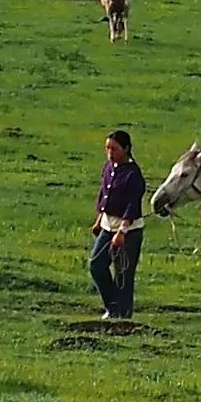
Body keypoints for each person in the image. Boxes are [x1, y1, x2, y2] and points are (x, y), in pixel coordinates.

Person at [88, 127, 145, 322]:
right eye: (108, 149)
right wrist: (99, 220)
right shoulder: (108, 168)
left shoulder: (133, 174)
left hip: (128, 230)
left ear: (126, 149)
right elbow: (104, 194)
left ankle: (124, 315)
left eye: (115, 149)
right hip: (107, 225)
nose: (110, 153)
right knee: (97, 264)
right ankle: (113, 306)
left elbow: (132, 205)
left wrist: (122, 232)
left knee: (123, 273)